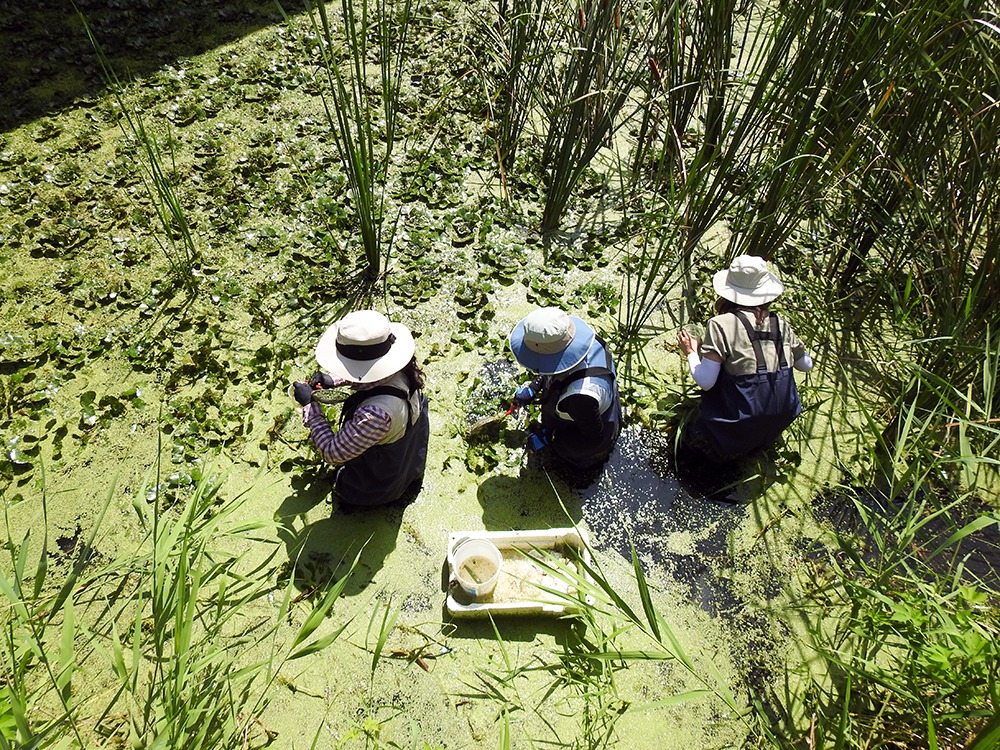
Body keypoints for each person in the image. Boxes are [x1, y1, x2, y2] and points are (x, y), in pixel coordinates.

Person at [676, 254, 813, 463]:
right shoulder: (782, 324)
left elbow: (706, 381)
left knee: (692, 452)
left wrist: (691, 352)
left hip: (740, 419)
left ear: (728, 293)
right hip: (783, 415)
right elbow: (806, 365)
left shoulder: (720, 324)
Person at [292, 310, 429, 507]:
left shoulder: (374, 414)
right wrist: (332, 380)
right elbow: (374, 373)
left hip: (380, 483)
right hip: (410, 452)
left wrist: (310, 407)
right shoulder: (402, 366)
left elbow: (332, 453)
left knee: (351, 491)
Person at [508, 307, 621, 471]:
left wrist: (552, 439)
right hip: (585, 408)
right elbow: (558, 365)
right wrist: (533, 388)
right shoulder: (582, 342)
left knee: (568, 463)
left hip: (590, 434)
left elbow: (593, 437)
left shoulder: (580, 398)